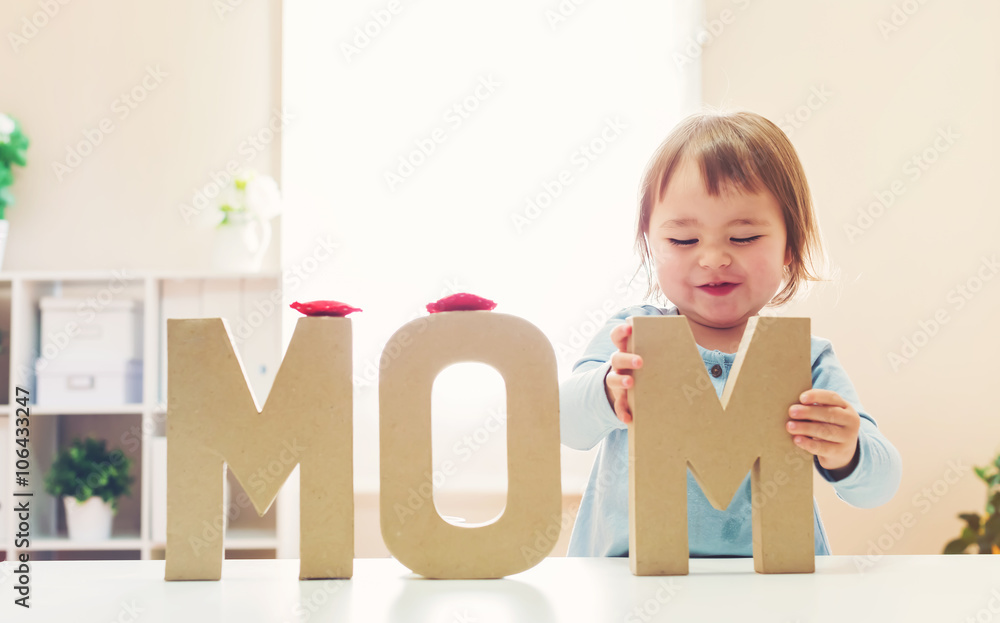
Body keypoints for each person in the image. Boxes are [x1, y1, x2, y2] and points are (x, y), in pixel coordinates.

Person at [560, 109, 902, 558]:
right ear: (651, 246)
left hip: (769, 588)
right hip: (634, 584)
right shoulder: (633, 338)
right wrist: (608, 391)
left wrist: (847, 450)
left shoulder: (803, 359)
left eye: (743, 237)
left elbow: (879, 486)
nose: (714, 258)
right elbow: (564, 422)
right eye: (683, 241)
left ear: (790, 248)